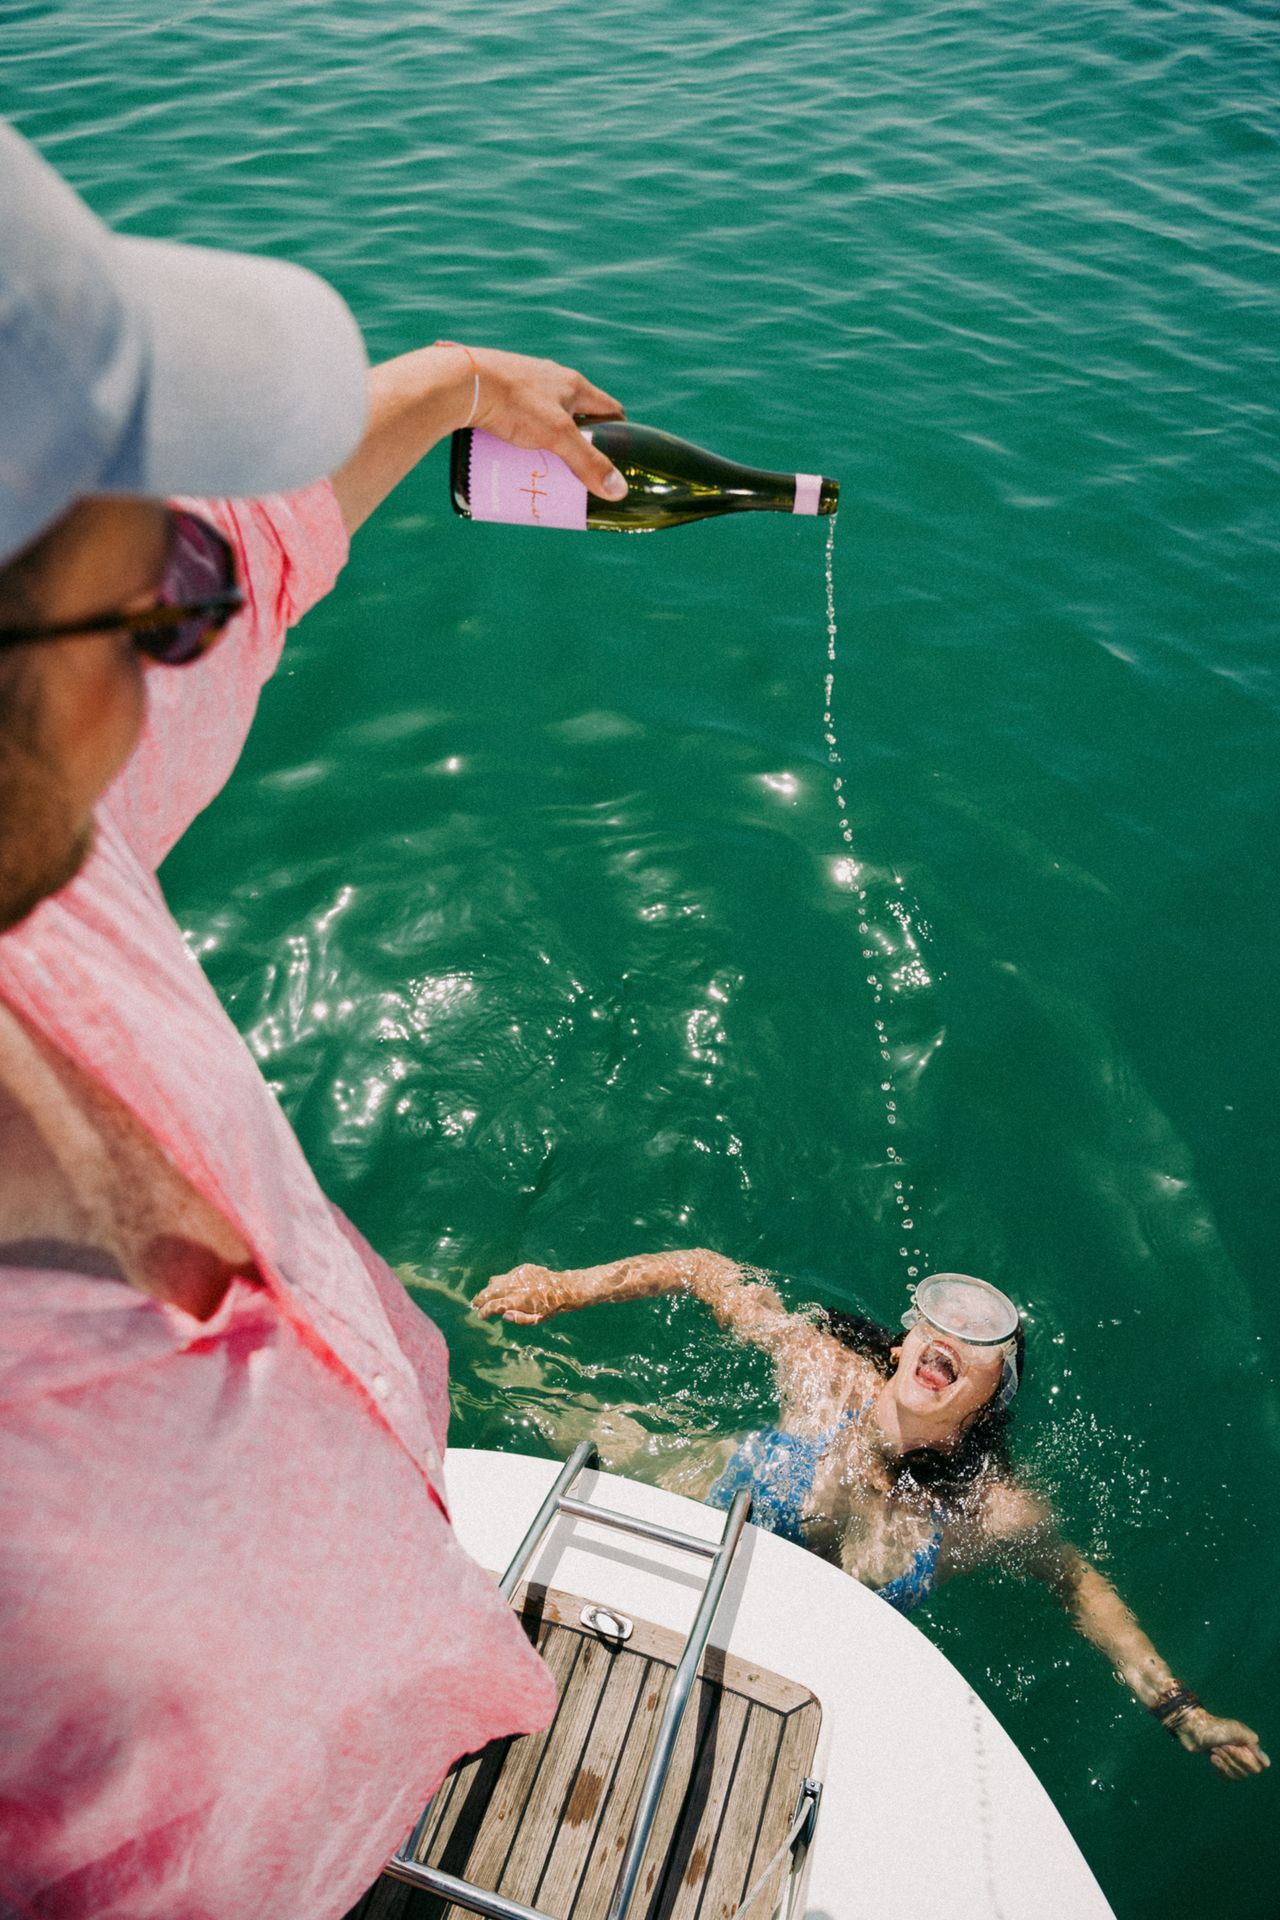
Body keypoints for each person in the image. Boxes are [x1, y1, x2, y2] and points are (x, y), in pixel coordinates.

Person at [0, 118, 631, 1917]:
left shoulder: (43, 845)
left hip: (358, 1785)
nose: (172, 678)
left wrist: (445, 389)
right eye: (156, 610)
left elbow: (267, 531)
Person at [474, 1250, 1270, 1781]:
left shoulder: (987, 1508)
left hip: (795, 1667)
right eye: (937, 1321)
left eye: (981, 1340)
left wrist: (1179, 1712)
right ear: (901, 1347)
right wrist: (569, 1287)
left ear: (993, 1395)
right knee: (519, 1392)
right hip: (695, 1505)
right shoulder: (824, 1370)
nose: (950, 1335)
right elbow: (705, 1269)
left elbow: (1078, 1585)